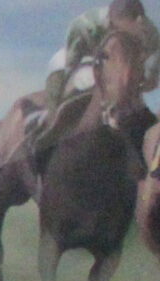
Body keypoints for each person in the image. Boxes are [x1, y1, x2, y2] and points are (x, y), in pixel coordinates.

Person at [32, 0, 160, 166]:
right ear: (110, 21)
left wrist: (140, 81)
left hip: (125, 66)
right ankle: (49, 124)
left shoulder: (151, 34)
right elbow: (72, 61)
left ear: (139, 21)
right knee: (64, 68)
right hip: (86, 57)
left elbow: (152, 76)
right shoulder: (85, 25)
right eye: (114, 27)